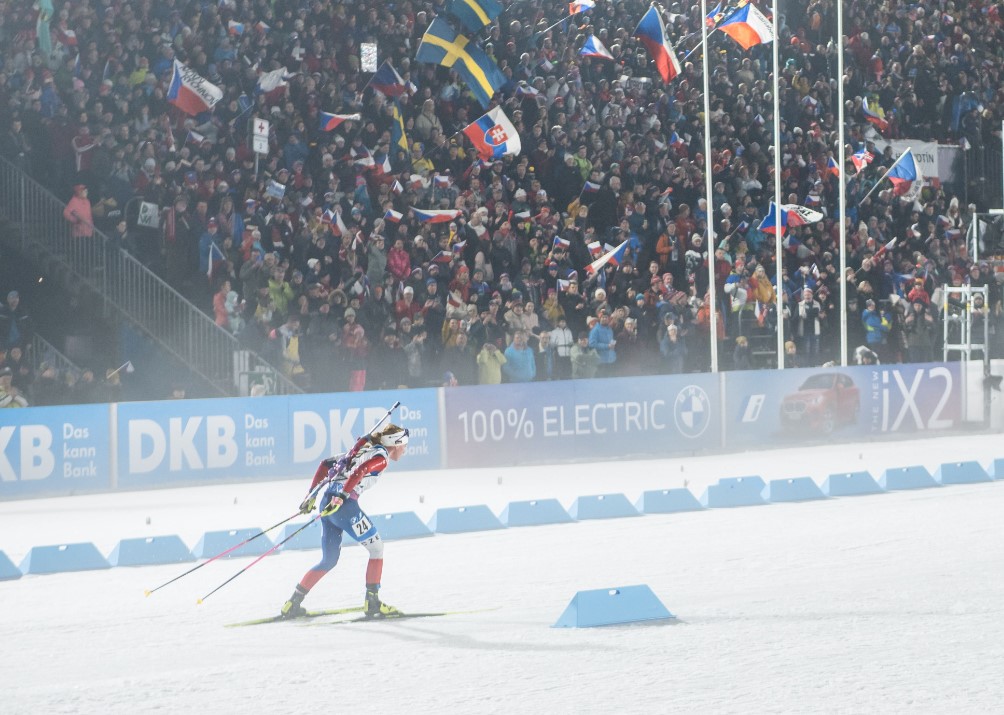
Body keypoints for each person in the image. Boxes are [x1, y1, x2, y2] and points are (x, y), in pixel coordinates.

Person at [280, 424, 411, 619]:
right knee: (377, 549)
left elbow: (326, 464)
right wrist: (342, 496)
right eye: (404, 446)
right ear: (396, 443)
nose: (405, 450)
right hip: (344, 506)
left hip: (327, 503)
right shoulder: (381, 458)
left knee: (329, 559)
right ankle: (373, 603)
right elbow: (362, 470)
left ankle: (293, 603)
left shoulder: (360, 450)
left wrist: (311, 496)